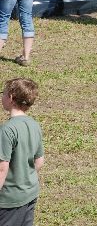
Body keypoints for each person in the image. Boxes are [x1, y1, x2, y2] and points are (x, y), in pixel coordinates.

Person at [0, 78, 44, 226]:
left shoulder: (7, 130)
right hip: (30, 193)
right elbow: (39, 161)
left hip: (9, 200)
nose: (2, 97)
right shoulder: (34, 125)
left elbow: (2, 169)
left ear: (11, 98)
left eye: (3, 93)